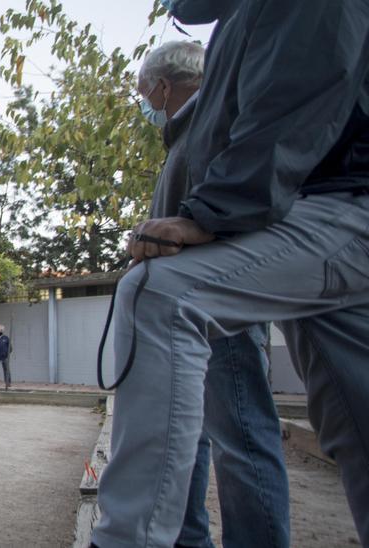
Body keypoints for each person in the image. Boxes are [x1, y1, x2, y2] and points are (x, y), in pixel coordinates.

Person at [93, 2, 369, 546]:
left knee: (158, 295)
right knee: (354, 423)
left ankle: (128, 537)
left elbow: (294, 102)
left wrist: (209, 217)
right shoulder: (236, 25)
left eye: (149, 95)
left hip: (331, 208)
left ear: (163, 88)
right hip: (308, 220)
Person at [134, 39, 290, 548]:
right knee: (189, 438)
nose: (144, 102)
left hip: (218, 313)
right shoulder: (184, 137)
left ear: (161, 86)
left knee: (241, 435)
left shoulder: (212, 127)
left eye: (143, 91)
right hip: (194, 315)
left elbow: (235, 212)